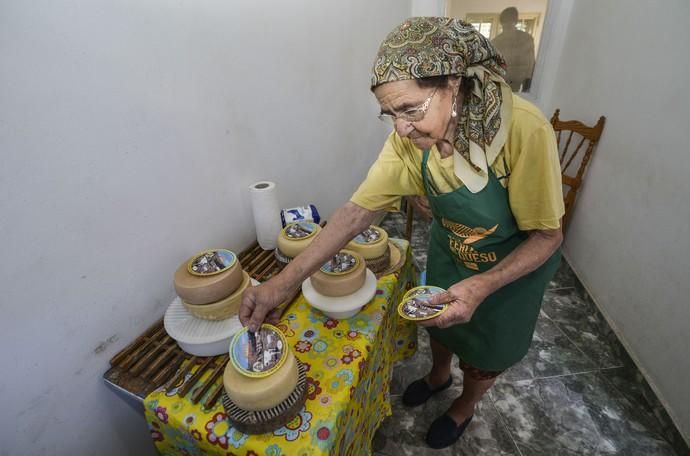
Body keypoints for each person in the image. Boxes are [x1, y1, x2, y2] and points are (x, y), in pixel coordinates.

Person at [240, 17, 563, 450]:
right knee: (440, 324)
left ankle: (464, 405)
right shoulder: (408, 139)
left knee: (486, 351)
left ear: (453, 82)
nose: (401, 129)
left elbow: (547, 236)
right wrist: (280, 284)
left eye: (410, 110)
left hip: (509, 271)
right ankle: (437, 374)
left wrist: (483, 284)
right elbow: (356, 213)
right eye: (389, 114)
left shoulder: (524, 130)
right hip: (453, 251)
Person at [492, 7, 536, 91]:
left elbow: (531, 63)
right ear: (502, 23)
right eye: (505, 24)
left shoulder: (526, 39)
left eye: (510, 23)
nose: (508, 26)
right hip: (501, 81)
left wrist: (528, 83)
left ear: (515, 22)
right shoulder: (496, 42)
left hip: (519, 80)